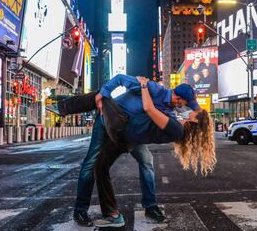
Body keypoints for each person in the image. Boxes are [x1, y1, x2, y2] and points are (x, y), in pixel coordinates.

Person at [52, 74, 201, 226]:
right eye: (186, 103)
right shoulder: (154, 88)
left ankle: (150, 206)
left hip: (130, 134)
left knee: (146, 161)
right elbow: (120, 79)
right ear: (178, 97)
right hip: (108, 119)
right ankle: (80, 210)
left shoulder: (170, 113)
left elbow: (187, 116)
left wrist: (200, 121)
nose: (186, 106)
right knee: (91, 162)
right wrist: (103, 93)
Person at [93, 76, 216, 227]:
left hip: (126, 134)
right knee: (147, 161)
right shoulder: (173, 116)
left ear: (194, 122)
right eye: (187, 104)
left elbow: (149, 109)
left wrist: (144, 86)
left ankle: (116, 214)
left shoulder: (175, 126)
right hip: (133, 136)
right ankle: (150, 207)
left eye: (190, 110)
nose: (188, 109)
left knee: (101, 166)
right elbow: (122, 80)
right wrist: (201, 117)